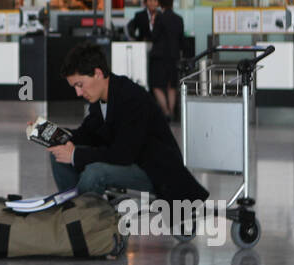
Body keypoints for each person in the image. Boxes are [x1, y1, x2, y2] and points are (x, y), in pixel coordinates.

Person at [43, 41, 208, 204]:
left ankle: (86, 221)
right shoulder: (99, 97)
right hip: (128, 161)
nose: (78, 93)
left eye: (80, 85)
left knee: (95, 172)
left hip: (152, 169)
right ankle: (74, 210)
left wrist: (75, 155)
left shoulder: (132, 97)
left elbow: (123, 154)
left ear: (98, 73)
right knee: (58, 155)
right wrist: (50, 132)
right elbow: (87, 133)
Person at [126, 0, 172, 117]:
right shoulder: (139, 15)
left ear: (158, 3)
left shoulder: (161, 16)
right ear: (146, 2)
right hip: (142, 48)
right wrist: (136, 40)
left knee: (156, 80)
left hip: (157, 52)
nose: (152, 3)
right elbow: (131, 29)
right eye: (150, 0)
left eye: (155, 1)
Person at [158, 0, 186, 118]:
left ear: (160, 4)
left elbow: (154, 37)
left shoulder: (159, 18)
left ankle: (166, 111)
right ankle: (172, 111)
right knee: (172, 86)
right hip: (174, 56)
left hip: (160, 57)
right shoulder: (179, 19)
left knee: (156, 85)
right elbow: (181, 40)